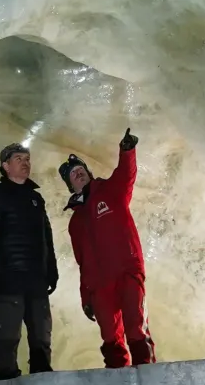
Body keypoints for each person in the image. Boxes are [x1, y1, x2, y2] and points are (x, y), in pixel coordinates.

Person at [60, 129, 156, 369]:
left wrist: (127, 151)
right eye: (73, 174)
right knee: (111, 339)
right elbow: (81, 262)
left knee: (135, 326)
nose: (78, 173)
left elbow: (127, 174)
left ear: (88, 172)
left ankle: (147, 373)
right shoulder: (75, 222)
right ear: (71, 185)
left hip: (127, 271)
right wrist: (86, 297)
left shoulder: (111, 189)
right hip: (99, 286)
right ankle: (118, 380)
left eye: (80, 169)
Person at [0, 142, 58, 380]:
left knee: (42, 336)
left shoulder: (36, 199)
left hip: (36, 280)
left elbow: (46, 238)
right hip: (9, 279)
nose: (25, 163)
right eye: (19, 159)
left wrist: (51, 271)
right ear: (5, 165)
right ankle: (6, 381)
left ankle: (42, 380)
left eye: (27, 159)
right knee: (8, 338)